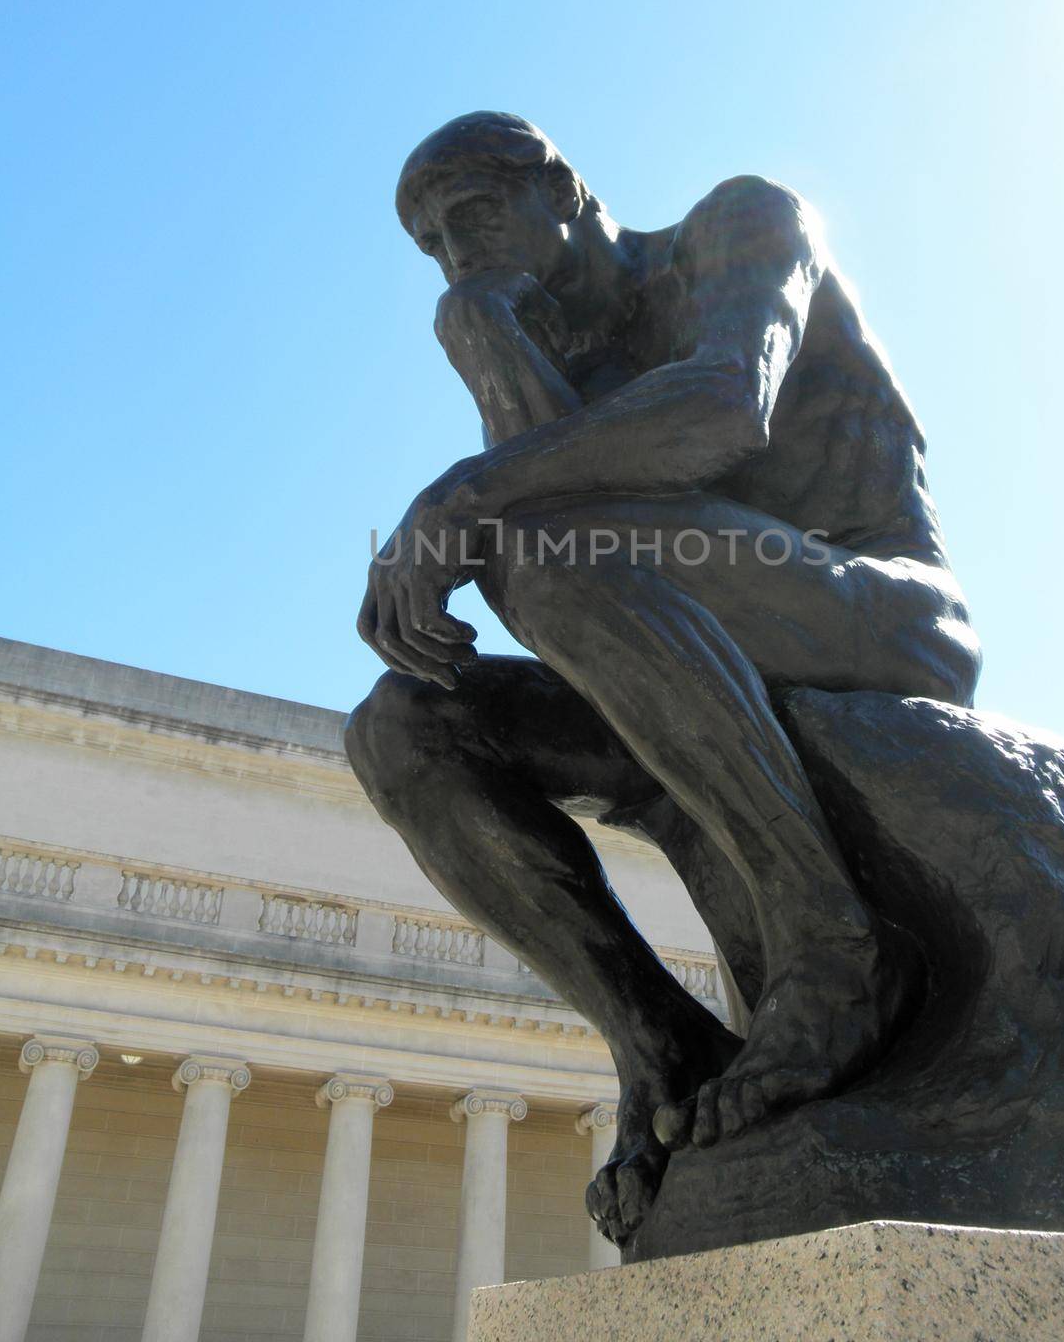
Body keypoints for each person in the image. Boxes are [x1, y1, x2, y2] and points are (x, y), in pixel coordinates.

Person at [346, 111, 981, 1244]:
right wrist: (482, 335)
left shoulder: (737, 226)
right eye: (434, 247)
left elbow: (722, 408)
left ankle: (835, 946)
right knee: (403, 729)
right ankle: (662, 1051)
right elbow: (542, 531)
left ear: (566, 190)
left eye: (476, 216)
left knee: (537, 533)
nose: (458, 253)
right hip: (678, 639)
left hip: (879, 611)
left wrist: (461, 495)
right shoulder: (548, 349)